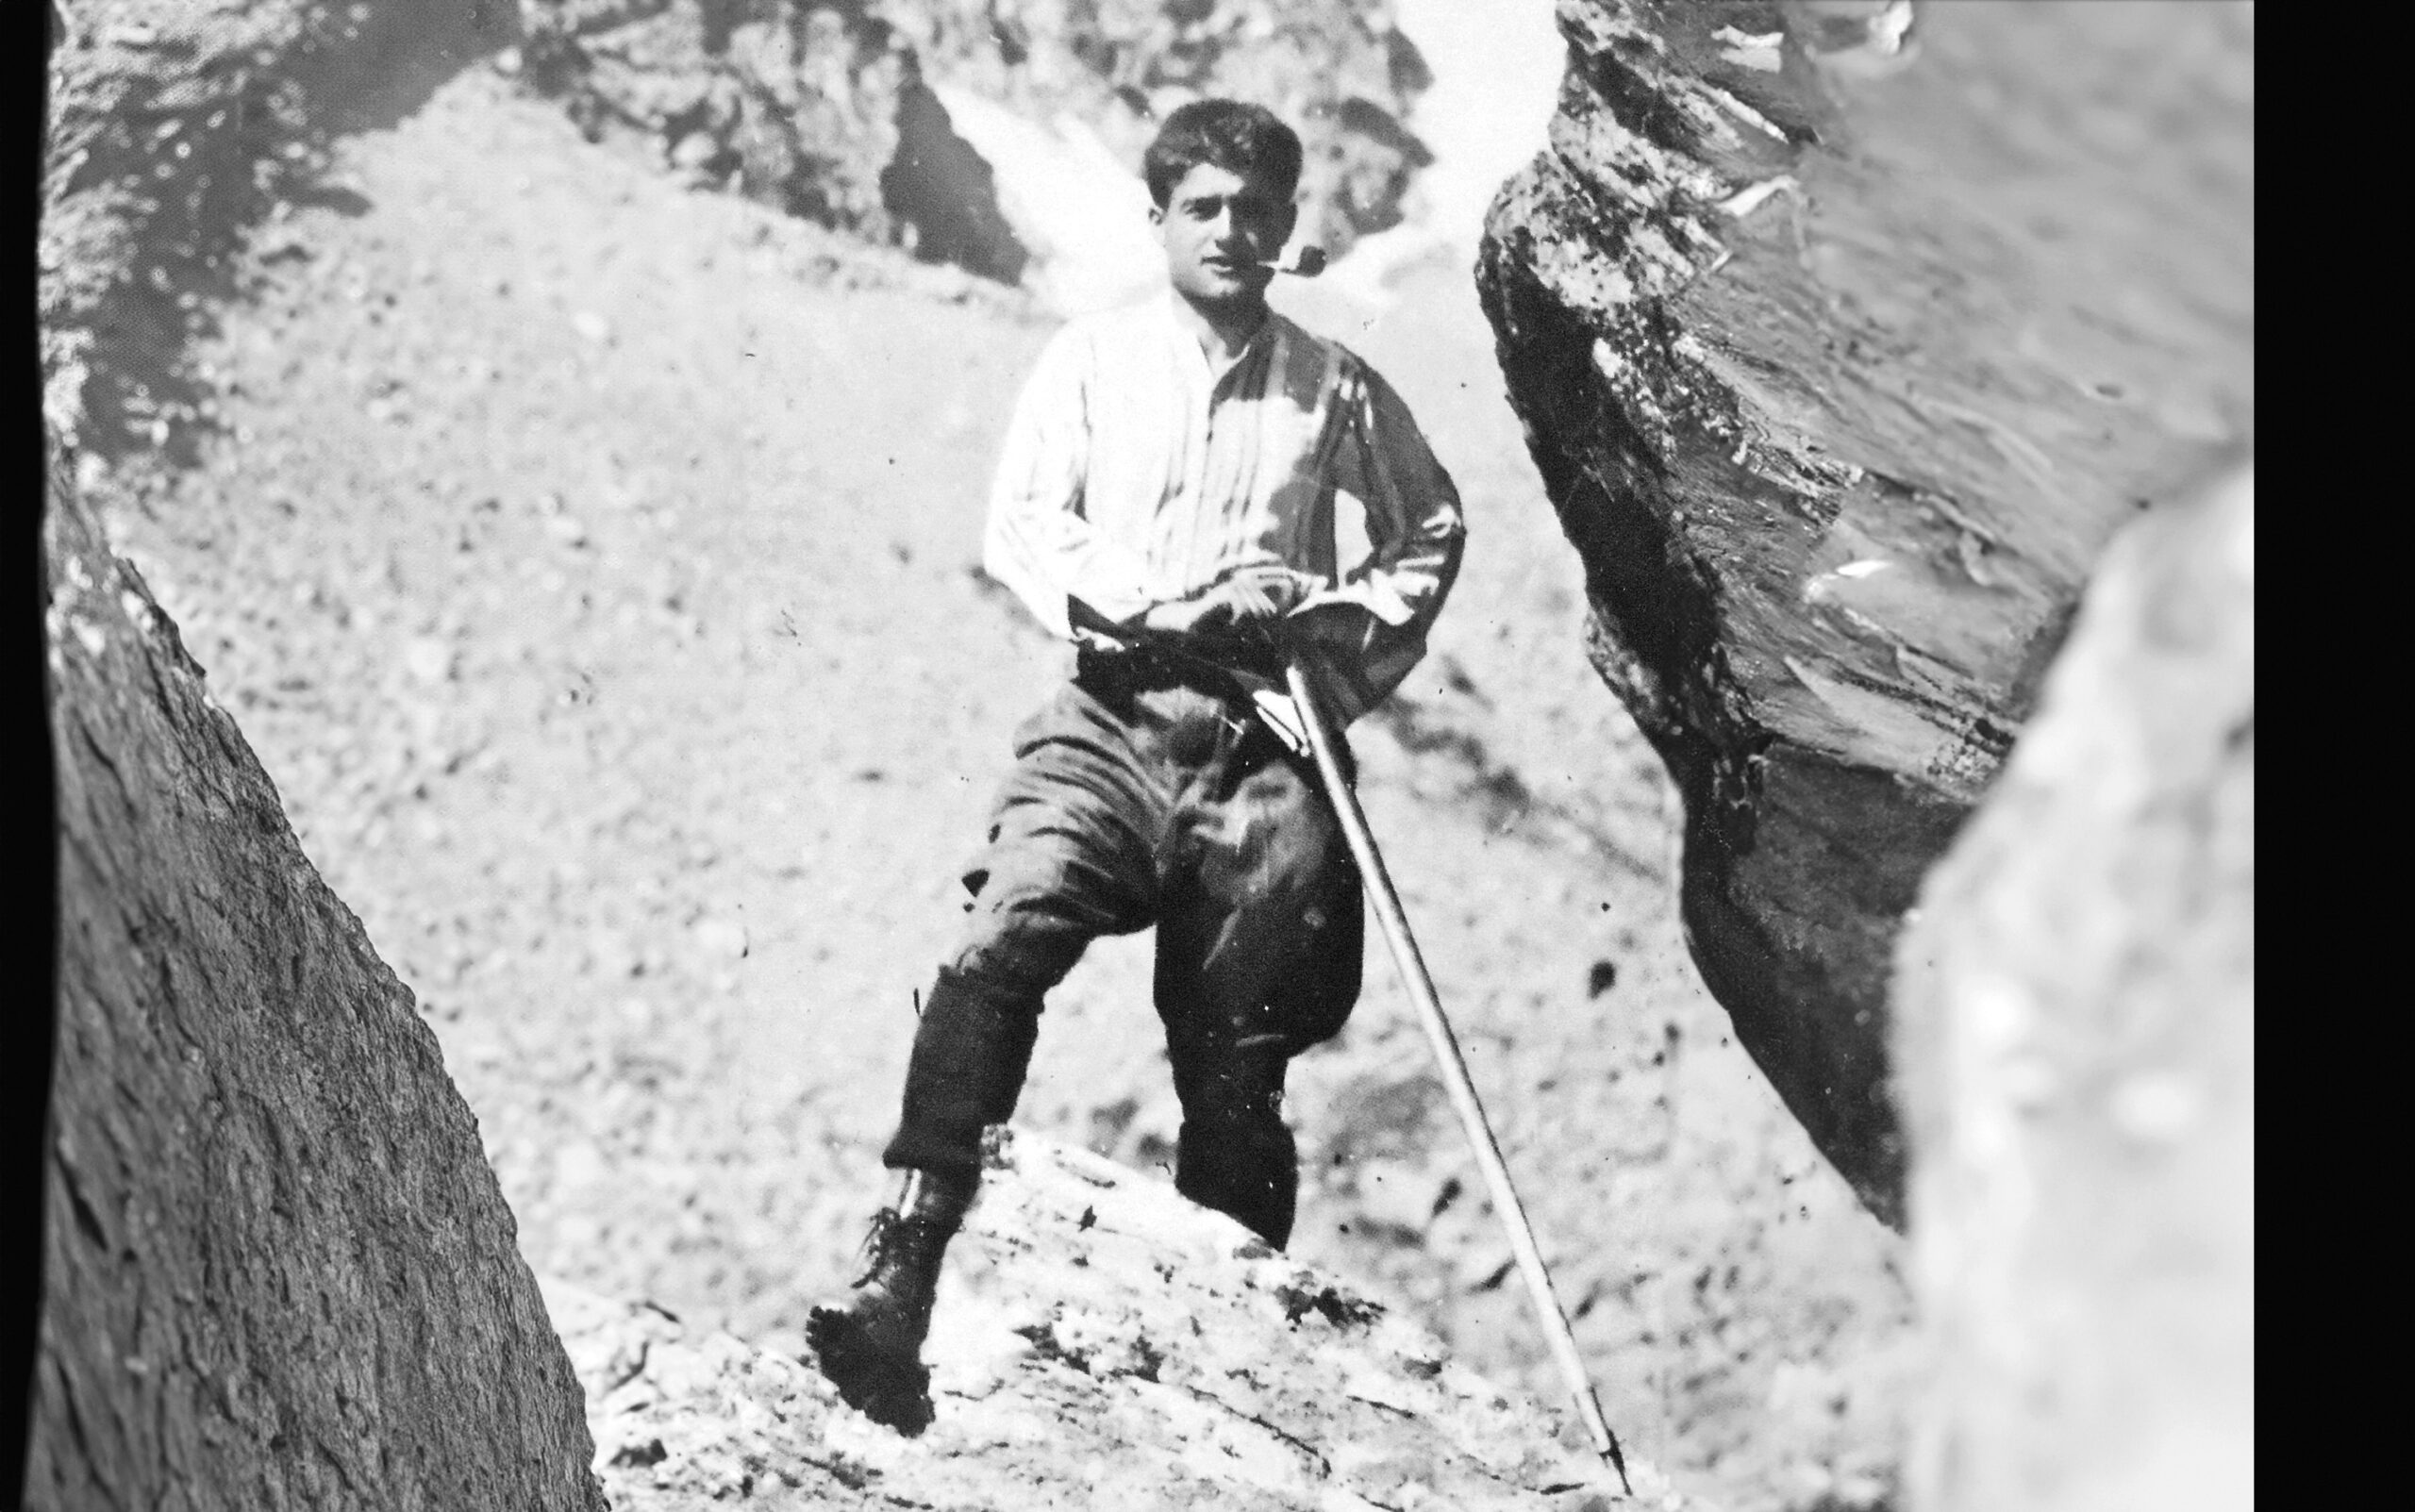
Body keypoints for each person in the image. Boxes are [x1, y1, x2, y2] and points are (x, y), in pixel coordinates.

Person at [807, 98, 1465, 1432]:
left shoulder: (1334, 387)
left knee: (1238, 1057)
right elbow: (1024, 520)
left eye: (1255, 209)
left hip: (1262, 746)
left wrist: (1327, 632)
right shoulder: (1092, 361)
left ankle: (1228, 1368)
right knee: (1005, 932)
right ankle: (902, 1272)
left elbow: (1432, 526)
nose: (1229, 230)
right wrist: (1163, 605)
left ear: (1287, 225)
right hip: (1110, 717)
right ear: (1158, 218)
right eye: (1202, 207)